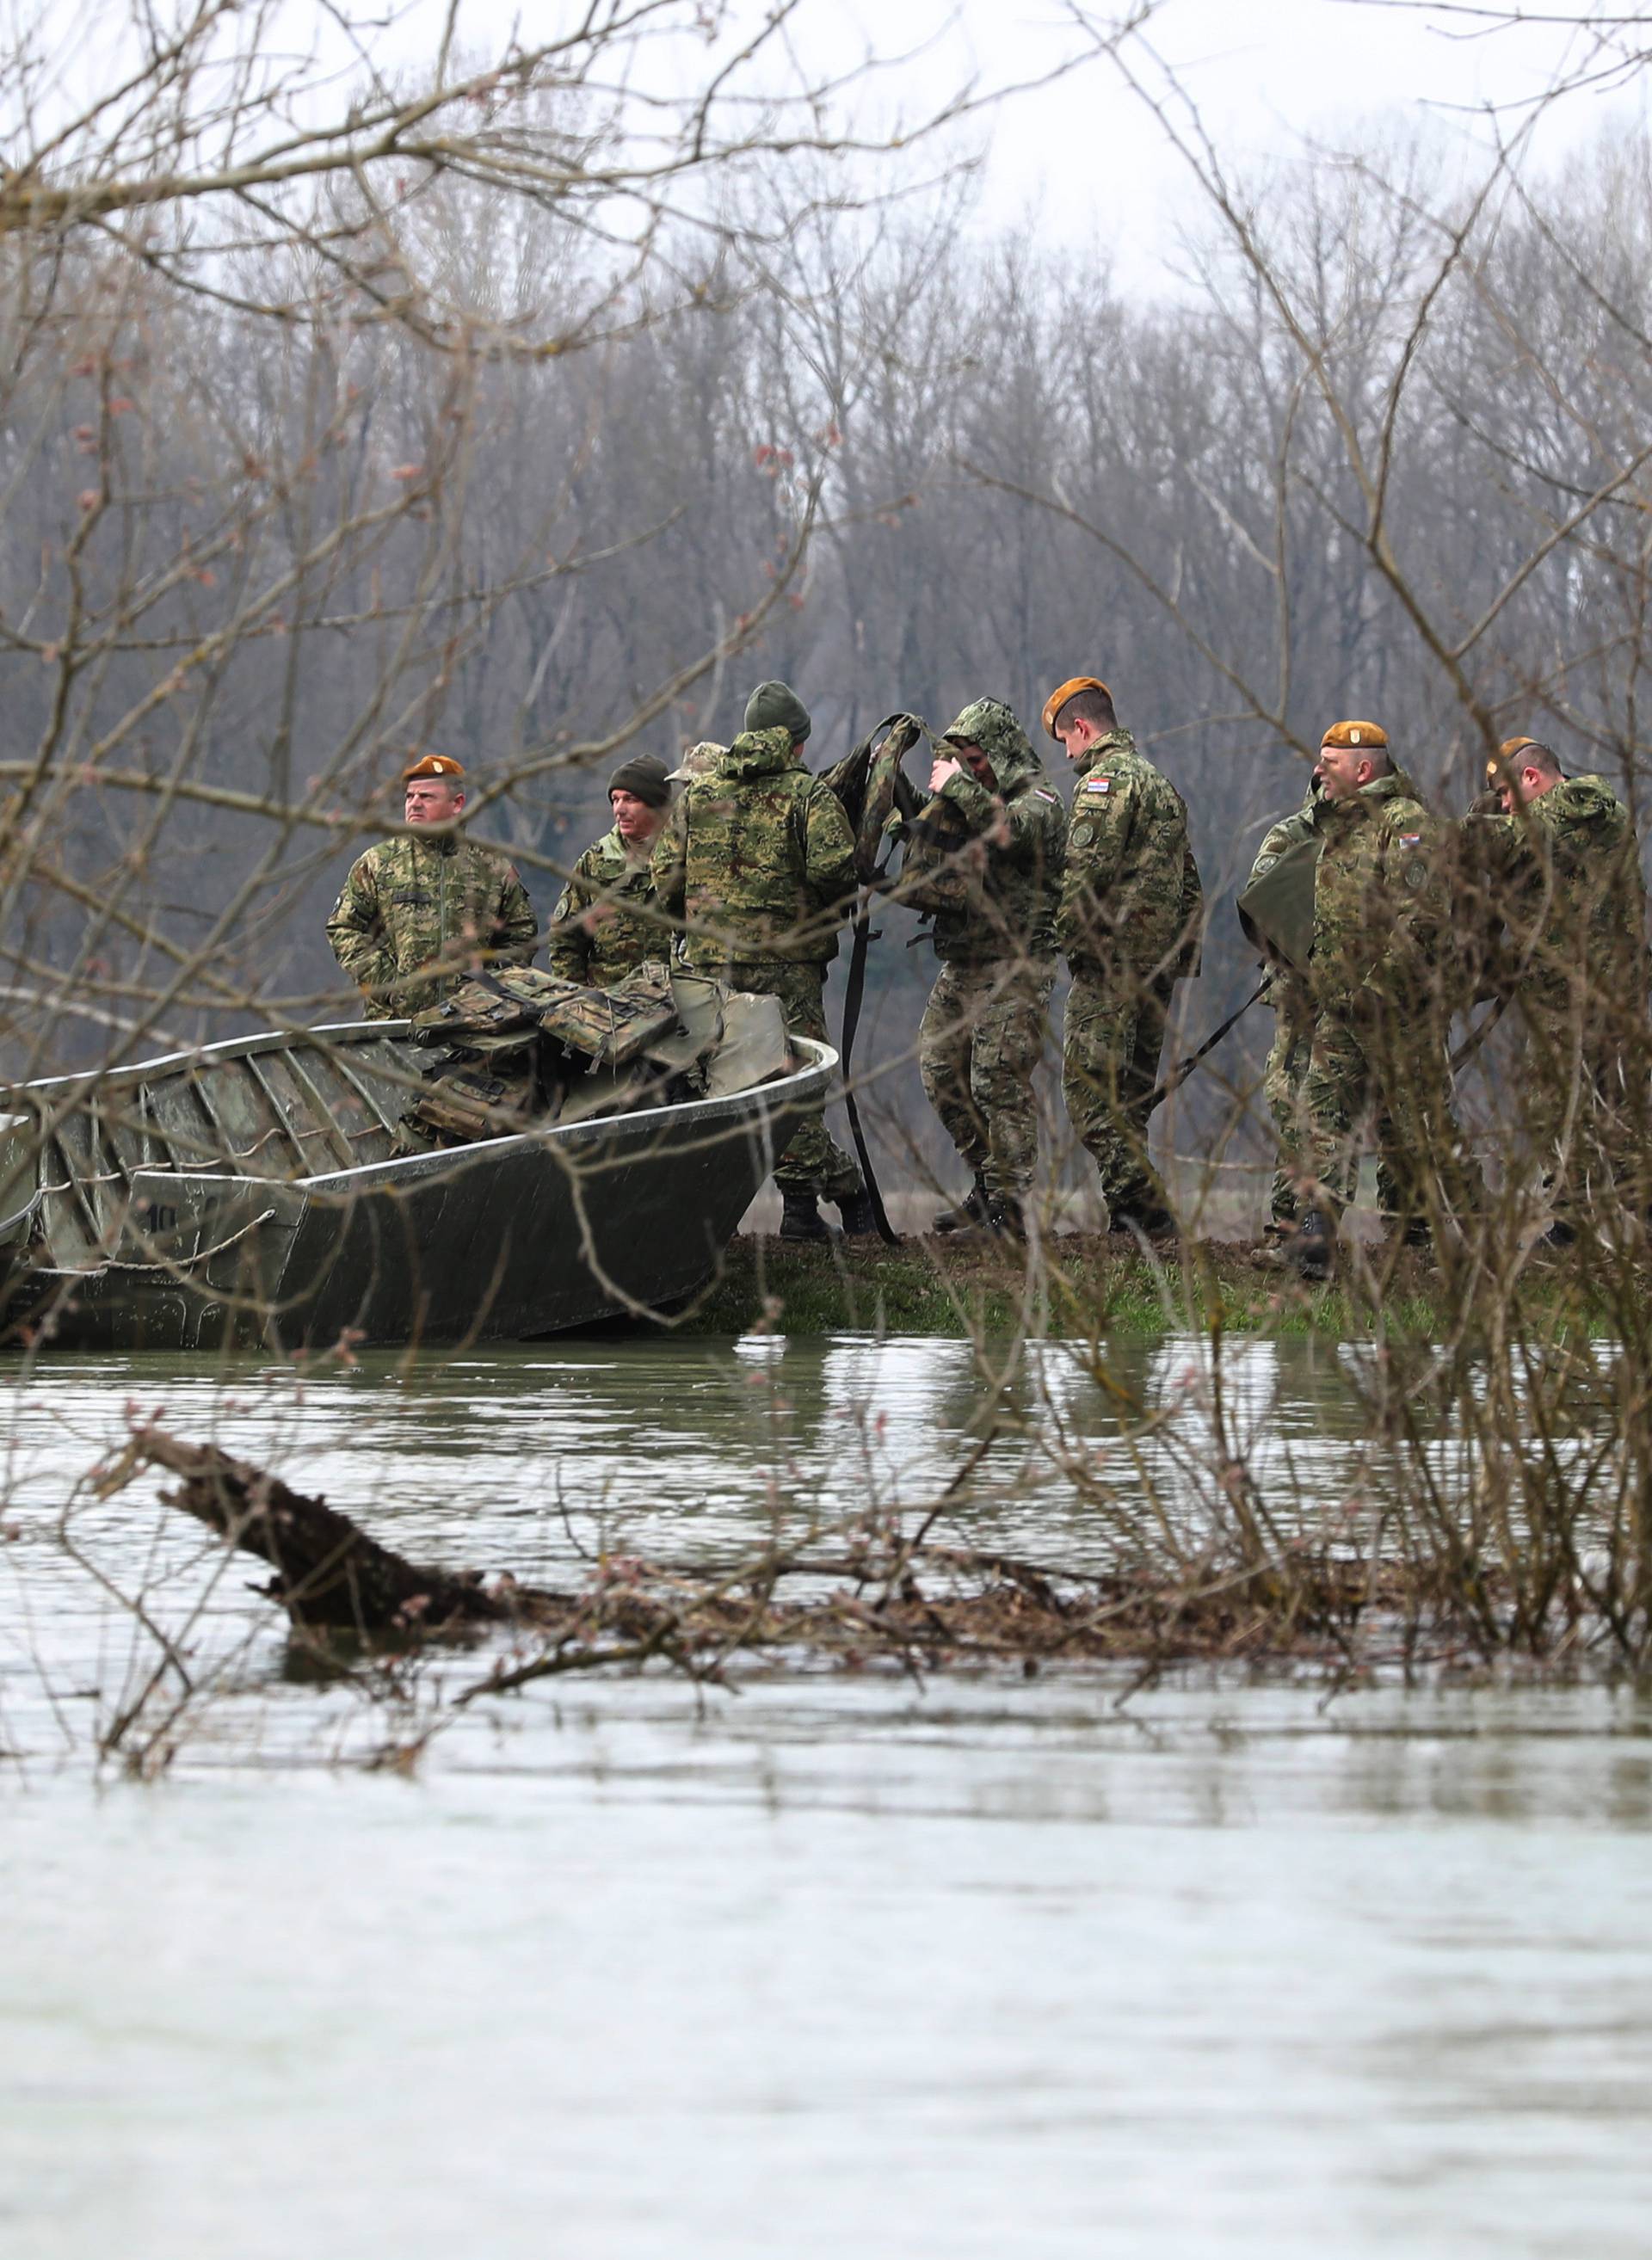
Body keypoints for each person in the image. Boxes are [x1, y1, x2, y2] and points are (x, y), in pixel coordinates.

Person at [651, 681, 875, 1239]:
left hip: (708, 970)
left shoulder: (700, 796)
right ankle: (829, 1198)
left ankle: (759, 1213)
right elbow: (834, 872)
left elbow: (664, 880)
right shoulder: (808, 796)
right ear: (797, 744)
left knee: (718, 1087)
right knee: (790, 1085)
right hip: (785, 967)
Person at [1291, 718, 1479, 1278]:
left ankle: (1465, 1229)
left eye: (1331, 763)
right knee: (1324, 1114)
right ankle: (1316, 1236)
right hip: (1340, 1007)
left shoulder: (1406, 825)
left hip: (1399, 1010)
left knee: (1417, 1126)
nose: (1319, 771)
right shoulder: (1337, 827)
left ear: (1365, 770)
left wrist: (1375, 988)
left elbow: (1419, 919)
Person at [1042, 675, 1203, 1236]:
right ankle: (1131, 1217)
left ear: (1083, 728)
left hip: (1111, 967)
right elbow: (1189, 884)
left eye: (1066, 740)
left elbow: (1084, 878)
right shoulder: (1160, 784)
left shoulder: (1103, 784)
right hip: (1156, 970)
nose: (1067, 754)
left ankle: (1146, 1206)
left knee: (1089, 1096)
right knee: (1129, 1101)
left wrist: (1061, 941)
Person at [1467, 734, 1648, 1224]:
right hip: (1597, 989)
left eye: (1508, 794)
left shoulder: (1570, 809)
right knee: (1607, 1101)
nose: (1506, 806)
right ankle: (1583, 1214)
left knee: (1568, 1102)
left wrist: (1412, 836)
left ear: (1532, 778)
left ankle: (1578, 1218)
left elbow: (1493, 840)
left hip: (1578, 992)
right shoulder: (1581, 821)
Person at [902, 697, 1064, 1240]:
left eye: (977, 758)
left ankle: (1009, 1210)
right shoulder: (971, 800)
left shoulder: (1038, 798)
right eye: (964, 761)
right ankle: (987, 1186)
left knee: (999, 1078)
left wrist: (959, 786)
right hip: (965, 959)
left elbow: (1012, 832)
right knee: (940, 1068)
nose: (972, 769)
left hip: (1016, 962)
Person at [327, 753, 537, 1018]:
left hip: (471, 1029)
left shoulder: (492, 868)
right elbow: (344, 927)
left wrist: (488, 989)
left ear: (457, 803)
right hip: (394, 1028)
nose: (414, 804)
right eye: (409, 797)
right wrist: (389, 984)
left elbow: (521, 934)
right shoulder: (379, 863)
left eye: (426, 797)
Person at [1242, 785, 1320, 1241]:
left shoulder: (1385, 833)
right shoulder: (1291, 835)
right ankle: (1291, 1222)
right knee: (1291, 1101)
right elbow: (1262, 905)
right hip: (1298, 995)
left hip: (1360, 994)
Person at [547, 754, 672, 988]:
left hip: (677, 1000)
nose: (619, 809)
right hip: (611, 1003)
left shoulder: (683, 854)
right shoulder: (596, 861)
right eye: (615, 800)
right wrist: (577, 997)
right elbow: (565, 937)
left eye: (630, 799)